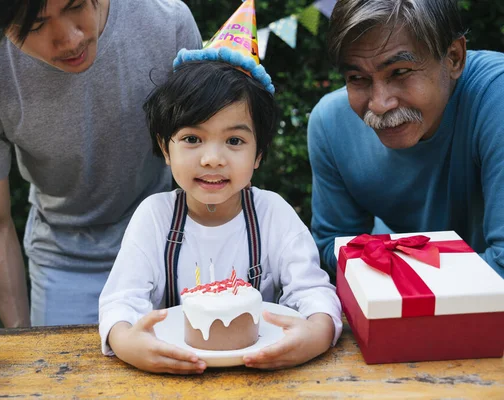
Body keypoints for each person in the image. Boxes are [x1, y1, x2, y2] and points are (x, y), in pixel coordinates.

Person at [98, 0, 342, 374]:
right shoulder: (155, 218)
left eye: (234, 141)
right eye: (193, 139)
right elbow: (121, 300)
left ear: (258, 153)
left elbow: (313, 293)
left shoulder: (273, 214)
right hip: (176, 373)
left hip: (264, 373)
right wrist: (127, 340)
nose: (212, 159)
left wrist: (316, 334)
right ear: (166, 148)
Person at [0, 0, 202, 328]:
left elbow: (209, 156)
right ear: (0, 23)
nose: (70, 39)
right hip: (66, 264)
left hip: (170, 244)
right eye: (35, 25)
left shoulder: (167, 22)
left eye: (76, 5)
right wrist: (24, 343)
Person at [308, 0, 504, 277]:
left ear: (454, 58)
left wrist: (387, 274)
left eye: (400, 72)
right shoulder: (330, 124)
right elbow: (334, 245)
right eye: (357, 77)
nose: (379, 104)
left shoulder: (496, 97)